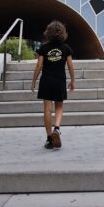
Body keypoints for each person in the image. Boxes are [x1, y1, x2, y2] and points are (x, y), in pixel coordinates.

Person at [30, 21, 75, 149]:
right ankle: (57, 128)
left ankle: (49, 138)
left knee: (47, 109)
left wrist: (33, 81)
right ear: (63, 33)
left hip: (46, 80)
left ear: (48, 33)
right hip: (60, 80)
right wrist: (73, 80)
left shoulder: (43, 48)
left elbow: (39, 66)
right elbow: (71, 66)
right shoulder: (66, 48)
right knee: (59, 106)